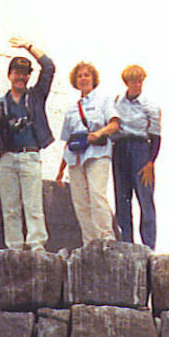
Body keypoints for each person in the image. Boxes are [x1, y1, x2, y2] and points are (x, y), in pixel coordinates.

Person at [0, 38, 55, 251]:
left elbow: (49, 67)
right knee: (10, 207)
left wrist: (28, 46)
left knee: (33, 205)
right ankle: (14, 246)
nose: (21, 77)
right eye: (17, 72)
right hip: (6, 158)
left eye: (25, 73)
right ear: (9, 75)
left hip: (30, 155)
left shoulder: (35, 96)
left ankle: (36, 243)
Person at [55, 61, 120, 245]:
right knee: (80, 201)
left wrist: (99, 133)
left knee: (97, 194)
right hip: (76, 157)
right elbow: (68, 141)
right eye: (80, 76)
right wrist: (61, 170)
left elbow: (115, 124)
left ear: (93, 79)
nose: (83, 79)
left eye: (87, 75)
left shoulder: (104, 100)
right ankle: (90, 242)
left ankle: (106, 238)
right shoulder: (72, 109)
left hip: (97, 153)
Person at [111, 65, 162, 249]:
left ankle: (149, 245)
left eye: (140, 80)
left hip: (141, 149)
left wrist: (150, 162)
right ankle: (126, 244)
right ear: (126, 82)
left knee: (145, 198)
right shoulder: (116, 102)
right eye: (133, 80)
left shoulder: (150, 105)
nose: (137, 84)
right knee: (122, 197)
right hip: (120, 148)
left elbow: (156, 136)